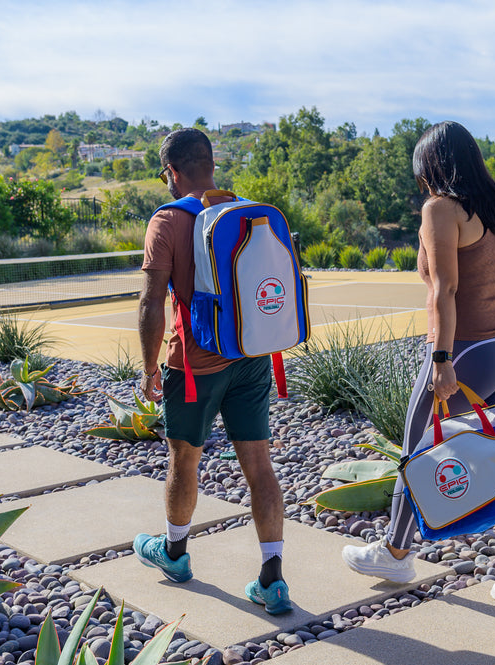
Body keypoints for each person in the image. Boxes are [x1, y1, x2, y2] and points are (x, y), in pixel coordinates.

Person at [341, 121, 495, 616]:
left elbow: (444, 289)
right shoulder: (492, 205)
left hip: (465, 352)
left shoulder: (440, 208)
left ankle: (395, 553)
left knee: (415, 447)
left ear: (432, 164)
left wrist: (441, 360)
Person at [133, 128, 291, 615]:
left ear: (174, 171)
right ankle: (273, 579)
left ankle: (175, 554)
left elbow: (151, 301)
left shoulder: (168, 221)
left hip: (196, 366)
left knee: (185, 460)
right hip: (251, 356)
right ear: (210, 163)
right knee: (259, 466)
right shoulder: (243, 210)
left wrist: (147, 368)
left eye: (165, 175)